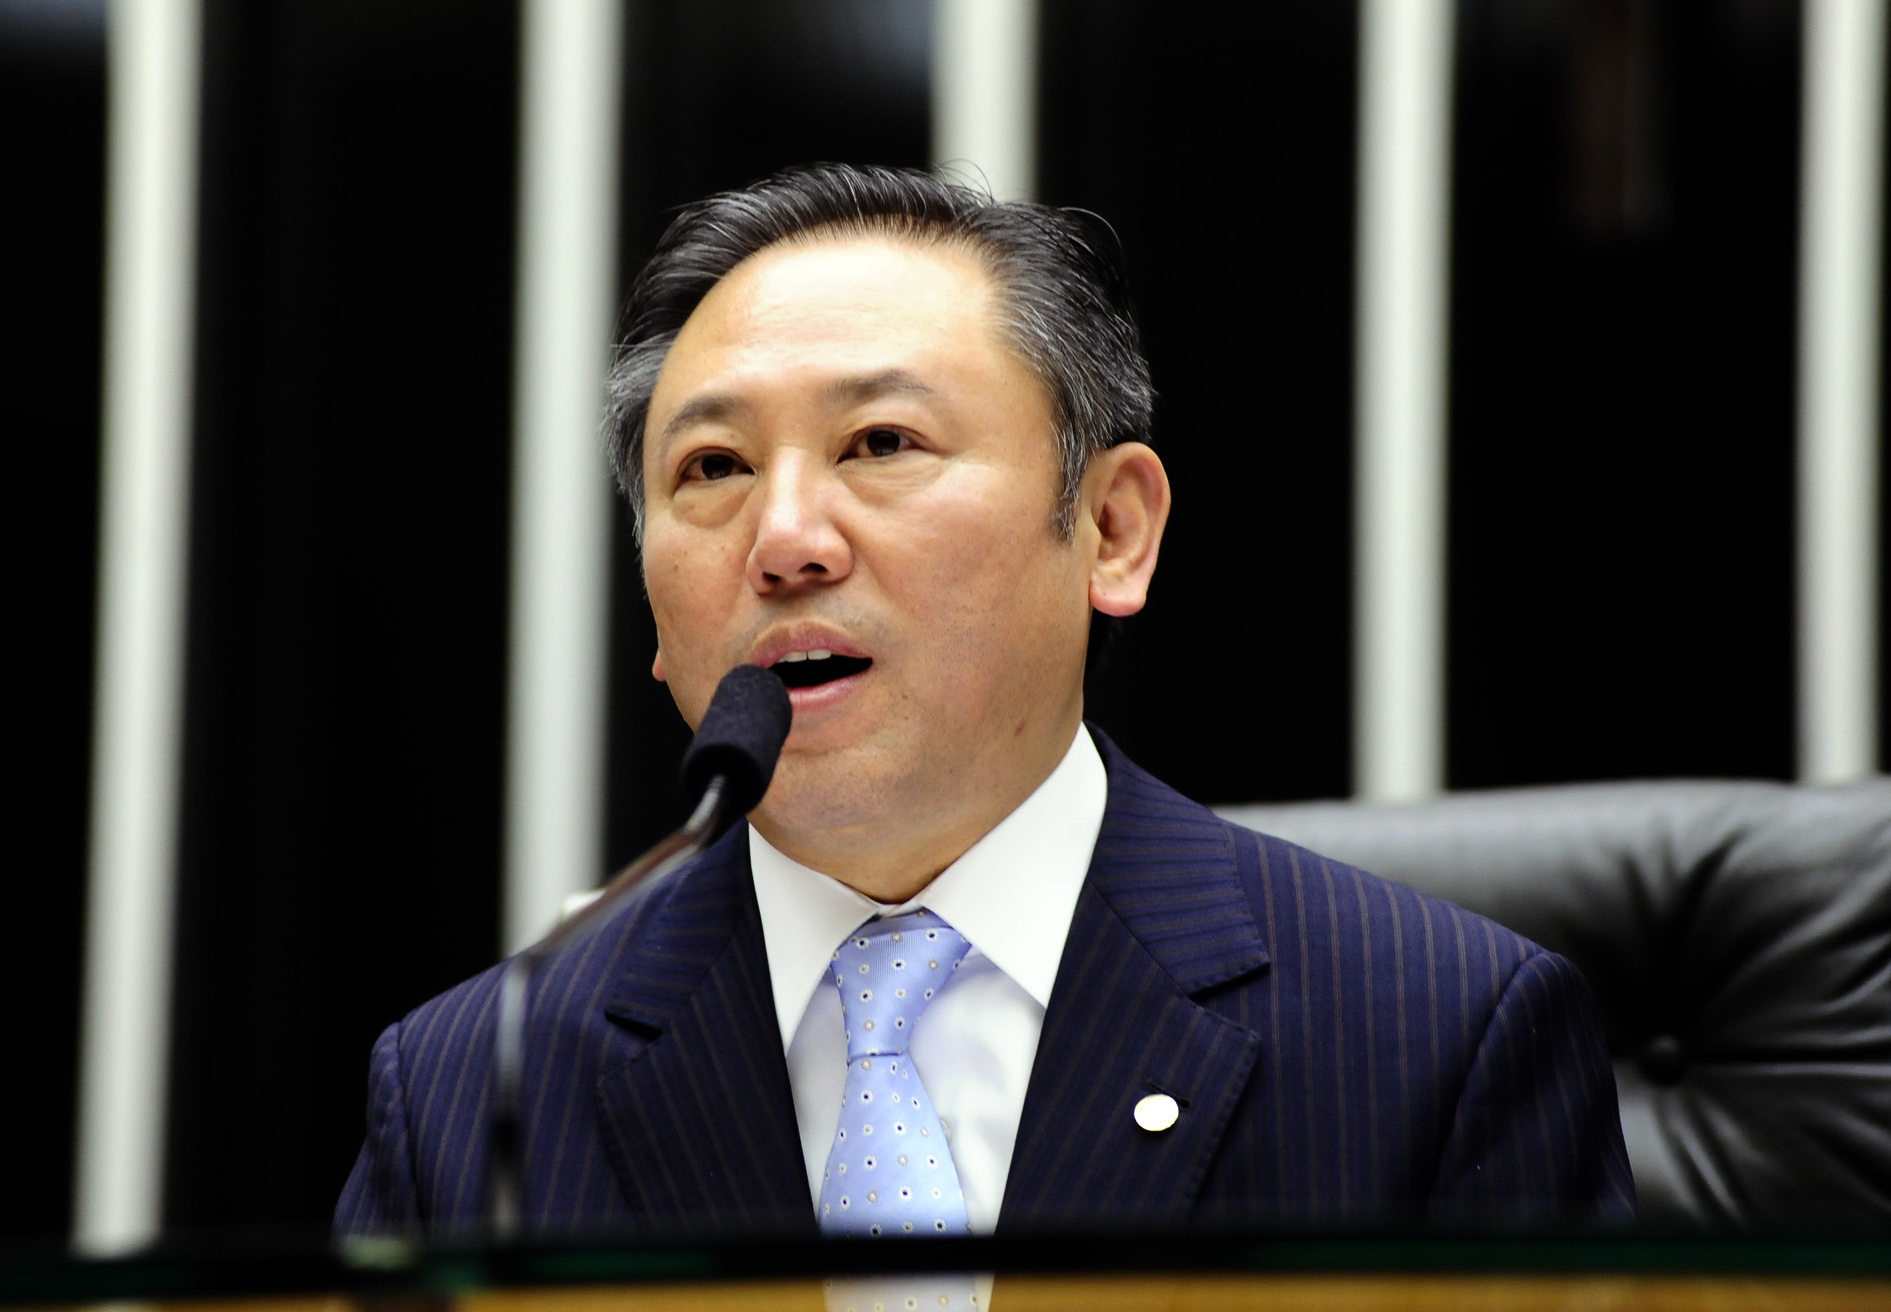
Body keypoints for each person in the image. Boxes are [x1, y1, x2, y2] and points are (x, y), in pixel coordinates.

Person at [336, 164, 1633, 1240]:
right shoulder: (475, 1089)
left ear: (1112, 530)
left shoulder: (1436, 1033)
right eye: (714, 467)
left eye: (880, 444)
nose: (785, 542)